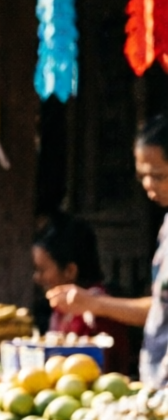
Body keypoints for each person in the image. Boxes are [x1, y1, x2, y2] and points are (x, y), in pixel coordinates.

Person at [47, 114, 168, 381]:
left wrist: (96, 304)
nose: (149, 185)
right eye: (143, 176)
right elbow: (161, 305)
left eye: (158, 176)